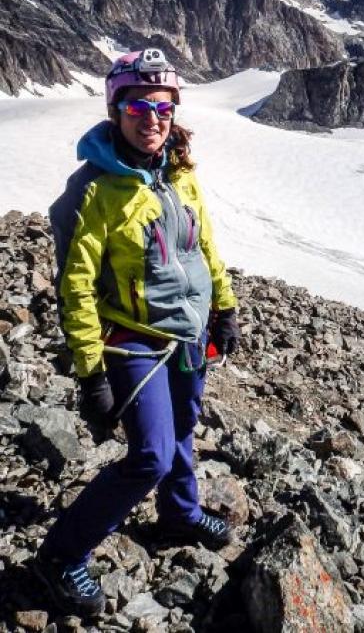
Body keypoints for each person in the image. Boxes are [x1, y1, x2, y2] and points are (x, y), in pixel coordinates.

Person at [35, 49, 240, 618]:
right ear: (116, 109)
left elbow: (203, 246)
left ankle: (179, 512)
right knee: (148, 454)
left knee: (182, 427)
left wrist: (224, 305)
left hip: (188, 334)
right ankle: (59, 555)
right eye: (138, 105)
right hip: (133, 341)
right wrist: (90, 372)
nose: (153, 117)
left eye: (164, 105)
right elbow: (76, 285)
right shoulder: (98, 190)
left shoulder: (179, 173)